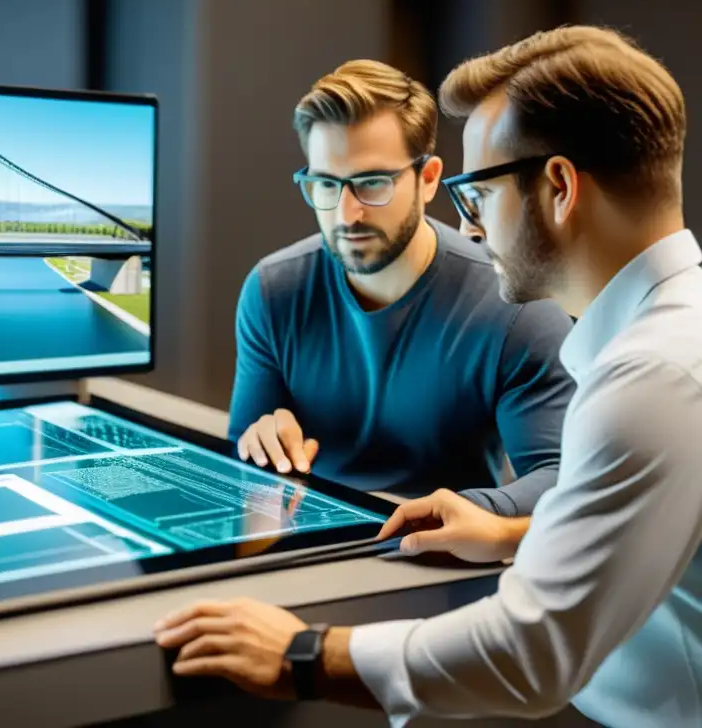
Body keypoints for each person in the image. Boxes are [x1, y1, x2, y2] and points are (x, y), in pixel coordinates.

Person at [155, 24, 702, 727]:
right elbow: (636, 530)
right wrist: (509, 535)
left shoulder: (648, 378)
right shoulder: (666, 339)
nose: (472, 228)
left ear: (560, 187)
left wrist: (303, 654)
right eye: (326, 185)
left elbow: (531, 655)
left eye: (480, 195)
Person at [230, 58, 574, 514]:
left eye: (372, 183)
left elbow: (559, 478)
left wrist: (442, 513)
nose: (347, 214)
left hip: (451, 557)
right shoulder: (273, 291)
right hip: (311, 551)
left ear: (428, 179)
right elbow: (241, 453)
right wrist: (259, 443)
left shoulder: (514, 306)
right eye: (326, 185)